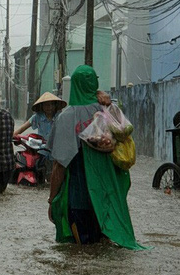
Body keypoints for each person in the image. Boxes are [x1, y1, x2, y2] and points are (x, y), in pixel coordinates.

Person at [47, 65, 146, 249]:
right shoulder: (110, 111)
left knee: (81, 253)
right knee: (103, 248)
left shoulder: (66, 117)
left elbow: (59, 166)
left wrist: (52, 200)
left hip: (79, 200)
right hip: (108, 199)